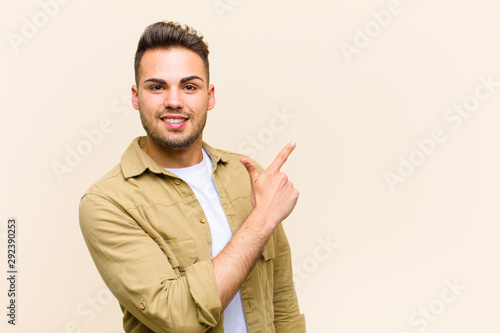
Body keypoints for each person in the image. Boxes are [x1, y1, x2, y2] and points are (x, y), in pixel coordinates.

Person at [79, 21, 305, 333]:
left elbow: (282, 301)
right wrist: (263, 218)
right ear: (135, 97)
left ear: (209, 96)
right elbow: (179, 318)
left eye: (189, 87)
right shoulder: (107, 203)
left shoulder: (247, 174)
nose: (174, 101)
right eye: (157, 87)